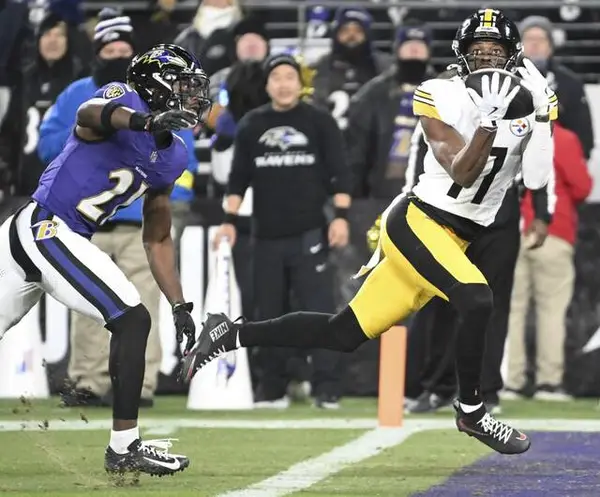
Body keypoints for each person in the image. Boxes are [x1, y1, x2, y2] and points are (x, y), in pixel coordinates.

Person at [184, 9, 559, 456]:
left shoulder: (529, 100)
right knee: (476, 299)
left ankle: (230, 334)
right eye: (477, 51)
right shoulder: (438, 92)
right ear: (461, 54)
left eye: (495, 51)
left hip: (459, 235)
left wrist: (541, 118)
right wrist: (488, 123)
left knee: (342, 334)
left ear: (513, 55)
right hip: (420, 221)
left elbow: (536, 179)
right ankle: (472, 411)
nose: (486, 59)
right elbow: (461, 172)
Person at [0, 43, 210, 475]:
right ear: (155, 85)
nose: (192, 96)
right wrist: (145, 121)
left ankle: (124, 447)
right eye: (183, 85)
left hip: (43, 234)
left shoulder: (174, 154)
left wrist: (179, 304)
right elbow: (89, 115)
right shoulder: (124, 98)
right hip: (47, 226)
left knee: (135, 318)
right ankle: (124, 448)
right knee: (131, 319)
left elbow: (158, 237)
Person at [38, 8, 198, 408]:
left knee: (141, 305)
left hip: (130, 225)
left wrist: (180, 303)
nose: (117, 54)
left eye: (124, 47)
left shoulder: (171, 137)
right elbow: (59, 136)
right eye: (110, 48)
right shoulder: (95, 93)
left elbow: (174, 174)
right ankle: (87, 382)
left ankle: (136, 386)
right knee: (90, 305)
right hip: (71, 224)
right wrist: (114, 132)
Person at [209, 53, 352, 408]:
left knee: (321, 311)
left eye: (290, 77)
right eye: (277, 78)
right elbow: (237, 179)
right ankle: (272, 388)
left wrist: (341, 217)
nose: (284, 84)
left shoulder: (319, 121)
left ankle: (326, 387)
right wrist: (228, 221)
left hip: (310, 233)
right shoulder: (252, 124)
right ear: (267, 85)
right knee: (267, 315)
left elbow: (340, 171)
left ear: (300, 83)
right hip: (266, 236)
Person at [505, 122, 592, 400]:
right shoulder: (563, 138)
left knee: (511, 309)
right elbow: (582, 187)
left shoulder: (511, 131)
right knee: (551, 310)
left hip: (513, 228)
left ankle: (510, 381)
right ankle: (548, 383)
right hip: (554, 229)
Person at [519, 15, 594, 159]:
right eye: (529, 39)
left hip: (558, 158)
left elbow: (583, 133)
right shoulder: (508, 79)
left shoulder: (570, 82)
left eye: (541, 39)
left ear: (551, 46)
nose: (534, 44)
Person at [311, 7, 391, 131]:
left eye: (358, 31)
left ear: (367, 35)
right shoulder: (323, 65)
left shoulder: (383, 66)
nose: (351, 36)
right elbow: (317, 104)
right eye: (345, 30)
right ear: (336, 34)